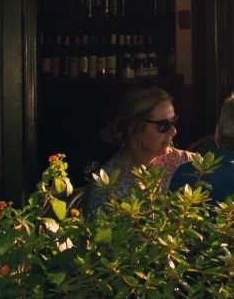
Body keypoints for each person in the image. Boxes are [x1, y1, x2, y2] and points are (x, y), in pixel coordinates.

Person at [81, 88, 195, 216]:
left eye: (173, 122)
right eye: (163, 125)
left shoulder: (186, 164)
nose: (173, 131)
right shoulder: (105, 186)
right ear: (135, 129)